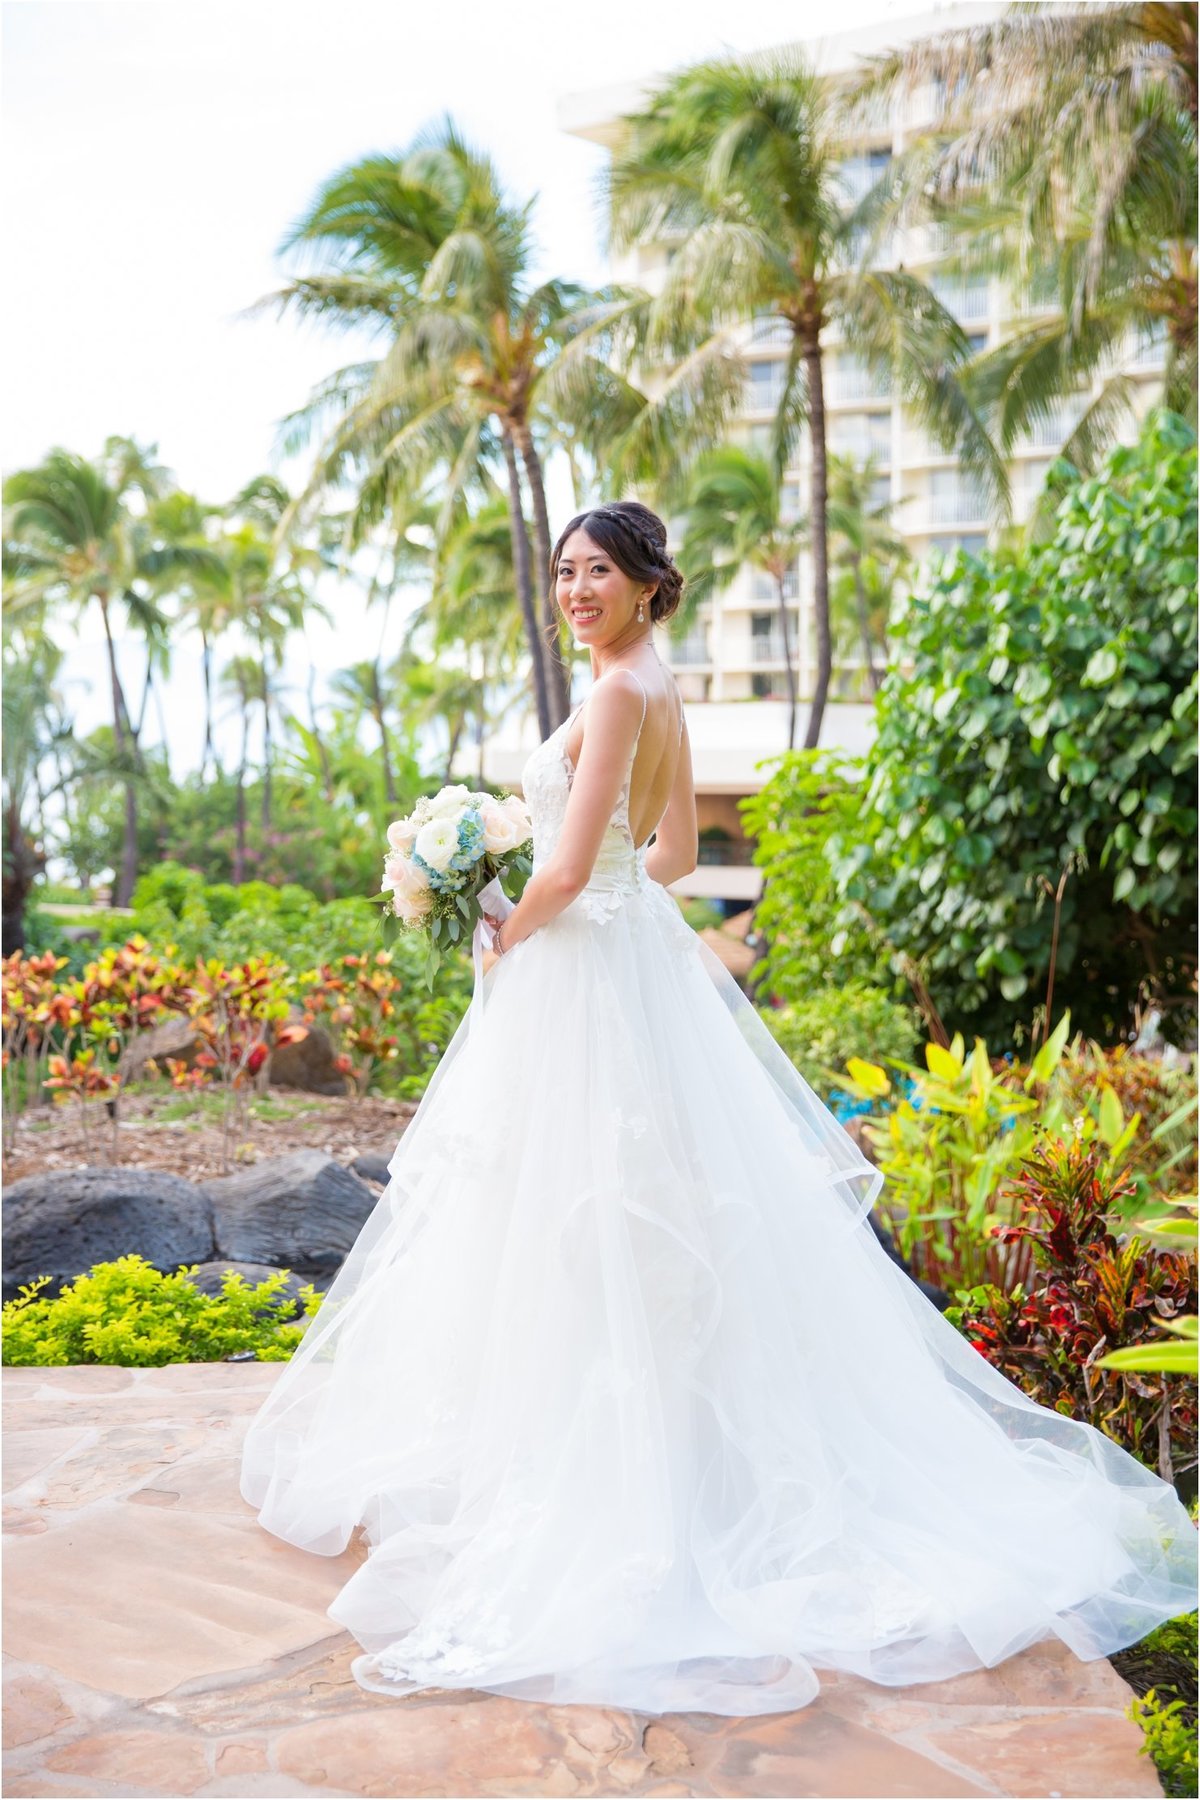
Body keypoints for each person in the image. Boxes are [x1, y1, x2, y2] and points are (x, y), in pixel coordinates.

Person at [239, 500, 1197, 1718]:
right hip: (625, 966)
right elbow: (675, 856)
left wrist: (498, 916)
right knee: (626, 1214)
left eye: (600, 571)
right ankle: (661, 1454)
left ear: (649, 582)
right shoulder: (654, 682)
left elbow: (576, 868)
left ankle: (613, 1484)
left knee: (581, 1216)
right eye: (566, 571)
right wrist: (540, 873)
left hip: (585, 970)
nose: (577, 588)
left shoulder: (621, 693)